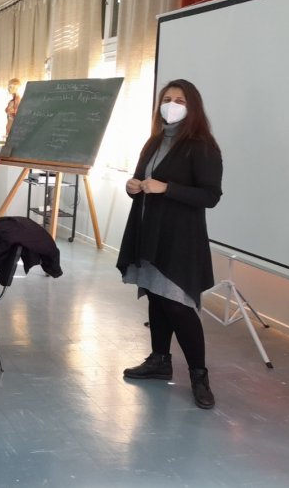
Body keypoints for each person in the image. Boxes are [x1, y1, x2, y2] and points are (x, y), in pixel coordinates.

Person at [116, 79, 222, 410]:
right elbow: (142, 179)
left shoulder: (202, 146)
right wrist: (133, 186)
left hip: (179, 238)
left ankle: (199, 376)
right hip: (148, 231)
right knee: (156, 296)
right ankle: (159, 360)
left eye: (179, 100)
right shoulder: (154, 141)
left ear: (192, 107)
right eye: (167, 99)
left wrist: (167, 189)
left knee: (177, 304)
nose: (171, 105)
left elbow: (210, 196)